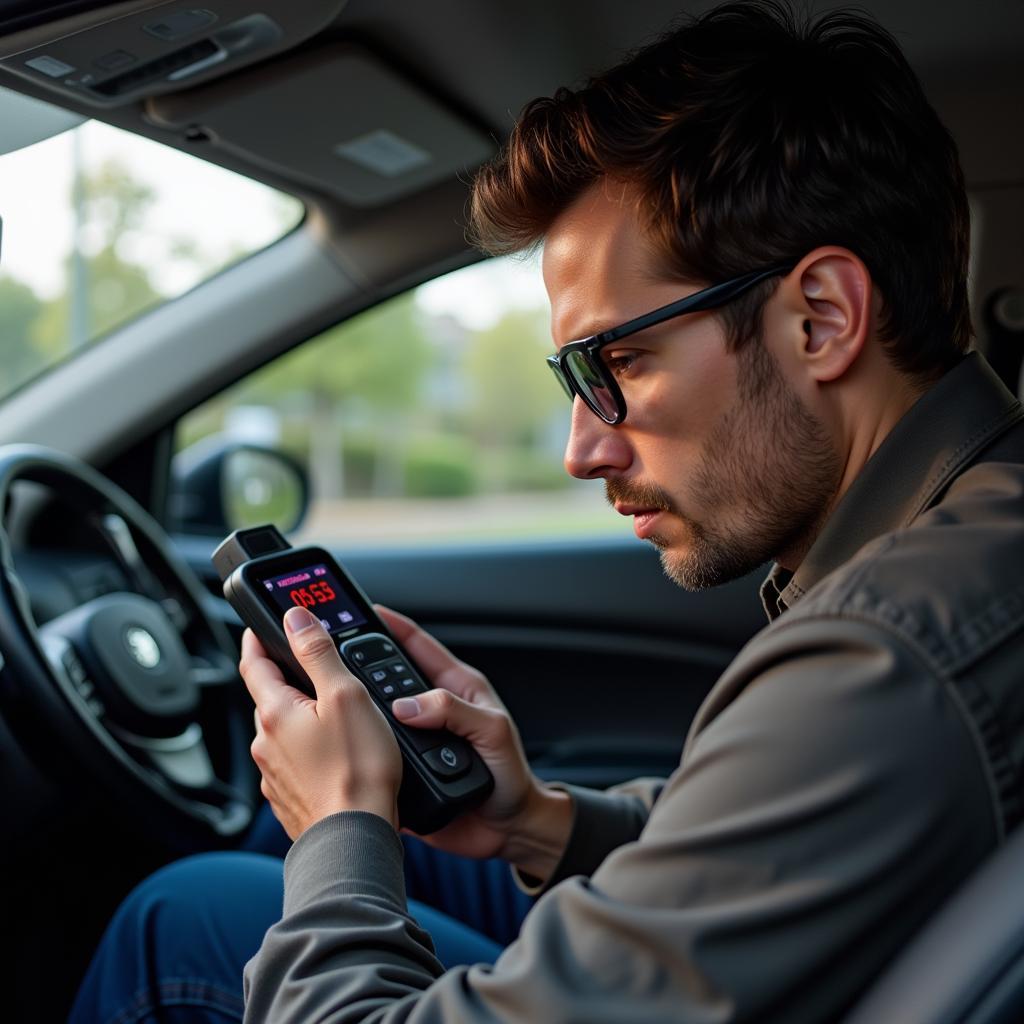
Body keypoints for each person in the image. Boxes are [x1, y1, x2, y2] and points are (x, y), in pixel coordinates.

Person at [70, 2, 1024, 1022]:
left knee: (186, 921)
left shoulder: (885, 657)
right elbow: (785, 830)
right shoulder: (954, 553)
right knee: (242, 877)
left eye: (619, 362)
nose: (582, 448)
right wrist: (535, 821)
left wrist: (339, 828)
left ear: (820, 318)